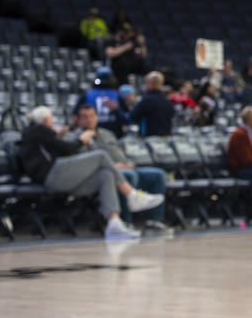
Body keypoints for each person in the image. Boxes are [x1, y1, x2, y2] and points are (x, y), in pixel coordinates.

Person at [19, 107, 164, 239]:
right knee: (101, 156)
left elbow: (52, 144)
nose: (54, 122)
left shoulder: (37, 134)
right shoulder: (37, 130)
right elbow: (66, 149)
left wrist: (56, 133)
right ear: (45, 120)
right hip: (52, 176)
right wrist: (81, 140)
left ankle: (114, 223)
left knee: (105, 175)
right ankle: (132, 195)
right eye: (52, 119)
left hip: (61, 179)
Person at [73, 104, 170, 233]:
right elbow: (84, 164)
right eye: (85, 117)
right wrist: (116, 166)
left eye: (92, 116)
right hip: (105, 175)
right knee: (128, 176)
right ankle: (126, 222)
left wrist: (128, 163)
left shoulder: (107, 134)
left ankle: (154, 221)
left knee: (157, 175)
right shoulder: (76, 139)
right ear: (78, 120)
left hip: (126, 167)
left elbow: (121, 153)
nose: (89, 120)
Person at [129, 71, 175, 137]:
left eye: (146, 82)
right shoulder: (167, 101)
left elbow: (132, 117)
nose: (145, 85)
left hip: (150, 140)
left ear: (150, 83)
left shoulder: (146, 100)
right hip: (166, 139)